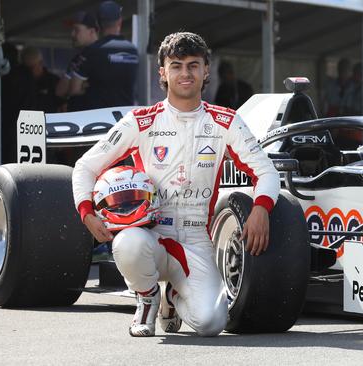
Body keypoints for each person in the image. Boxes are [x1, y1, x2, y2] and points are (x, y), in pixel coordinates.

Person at [71, 32, 280, 337]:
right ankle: (147, 298)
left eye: (193, 65)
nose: (185, 73)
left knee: (211, 324)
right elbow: (85, 166)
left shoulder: (226, 122)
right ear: (163, 73)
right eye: (177, 65)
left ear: (206, 70)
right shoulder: (141, 121)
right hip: (149, 233)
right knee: (126, 243)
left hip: (197, 240)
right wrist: (87, 212)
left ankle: (172, 298)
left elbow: (267, 172)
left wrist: (261, 209)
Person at [65, 1, 139, 110]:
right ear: (120, 22)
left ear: (98, 24)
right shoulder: (133, 50)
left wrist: (87, 87)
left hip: (98, 119)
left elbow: (74, 89)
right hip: (126, 117)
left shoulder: (92, 50)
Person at [55, 11, 100, 111]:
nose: (72, 34)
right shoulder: (78, 58)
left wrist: (77, 86)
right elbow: (60, 90)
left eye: (76, 30)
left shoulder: (102, 55)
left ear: (92, 32)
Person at [19, 47, 62, 113]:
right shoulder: (18, 82)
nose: (29, 72)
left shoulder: (53, 82)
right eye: (26, 68)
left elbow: (62, 105)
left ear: (40, 63)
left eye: (32, 68)